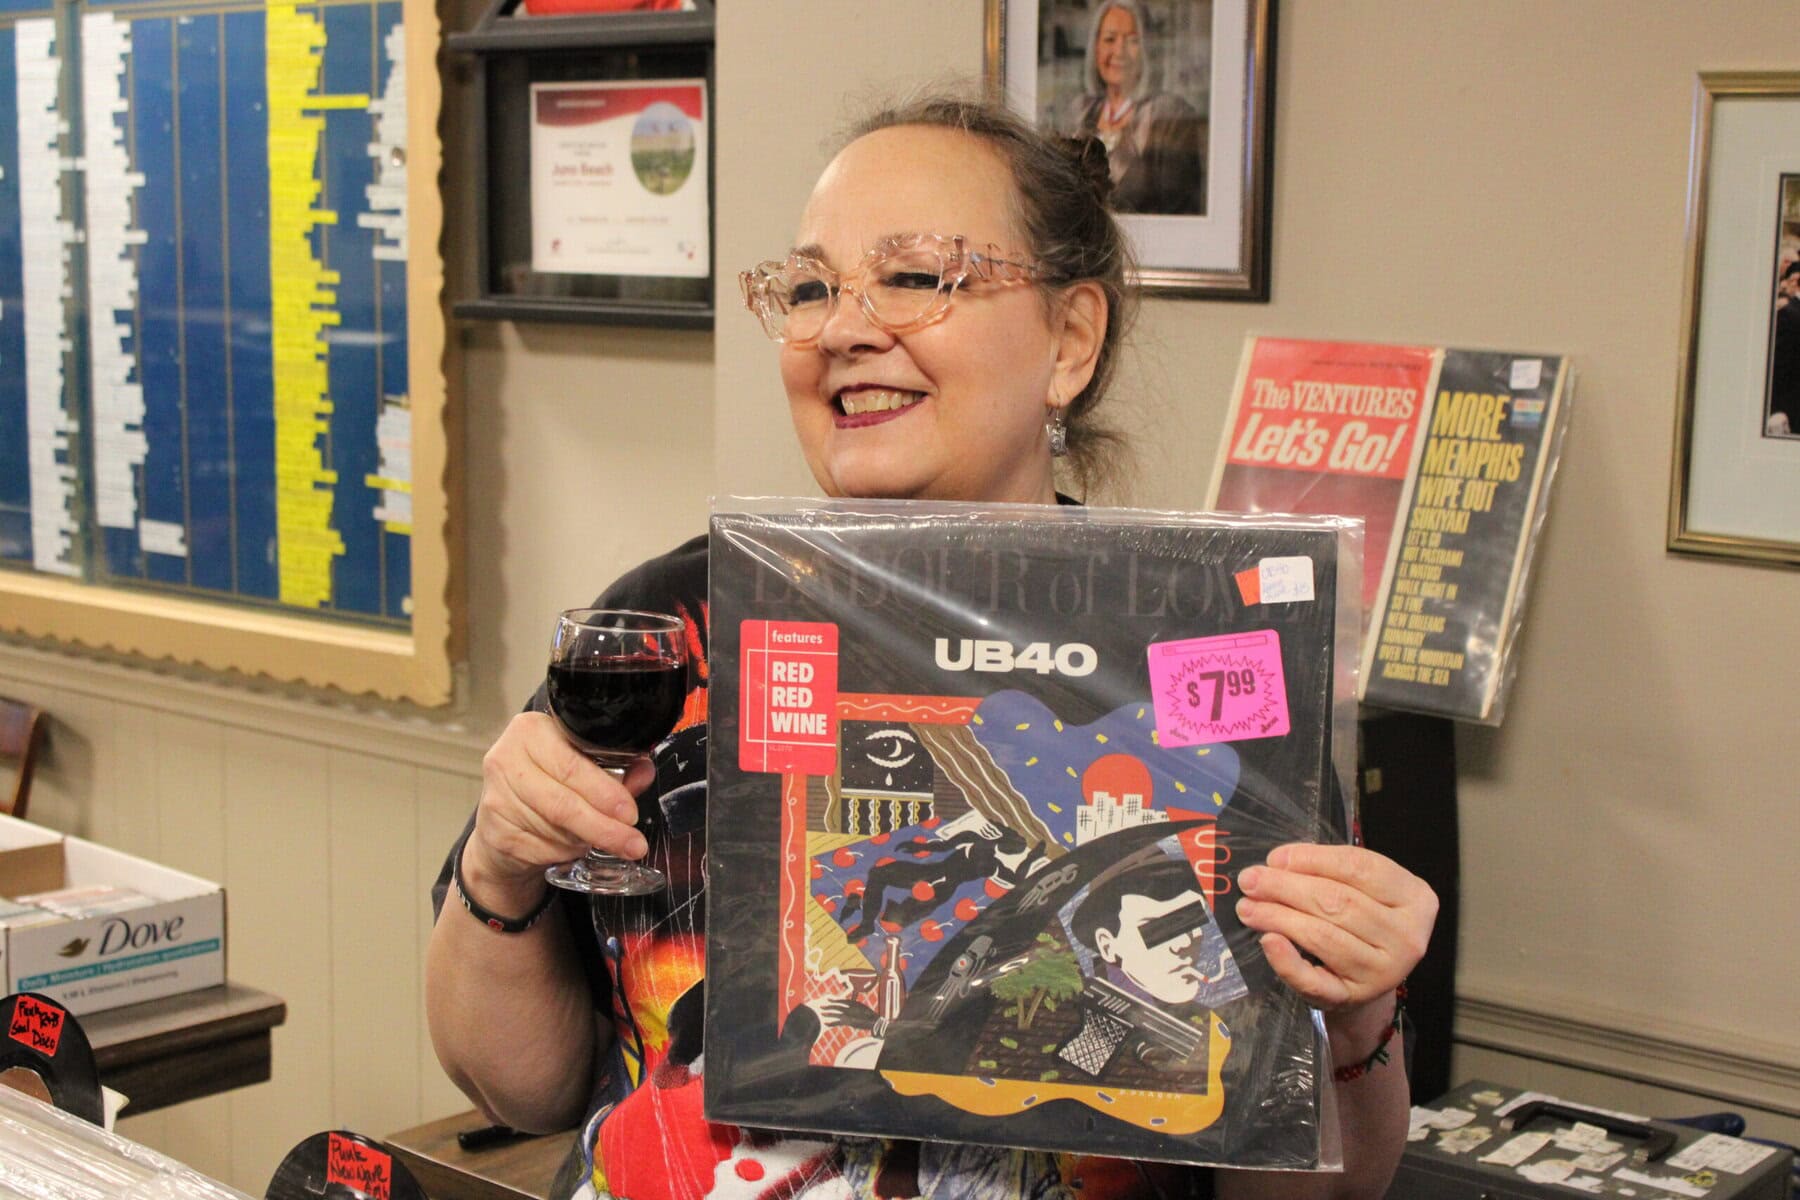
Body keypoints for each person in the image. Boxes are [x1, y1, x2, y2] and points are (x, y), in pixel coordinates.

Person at [426, 93, 1438, 1200]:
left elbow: (1319, 1187)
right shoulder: (672, 636)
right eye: (811, 287)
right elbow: (514, 1091)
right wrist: (501, 862)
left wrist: (1357, 1005)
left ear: (1071, 339)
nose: (843, 328)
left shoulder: (1198, 652)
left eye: (914, 278)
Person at [1059, 0, 1206, 215]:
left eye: (1132, 41)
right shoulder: (1078, 113)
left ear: (1147, 48)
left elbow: (1181, 207)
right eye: (1110, 39)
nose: (1119, 51)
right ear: (1096, 47)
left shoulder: (1171, 115)